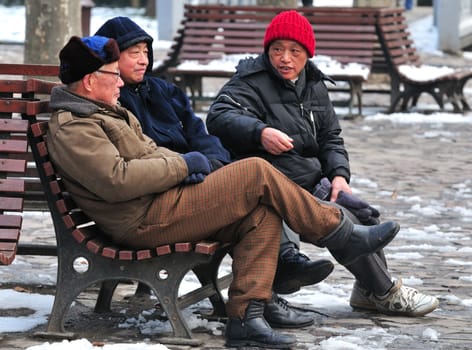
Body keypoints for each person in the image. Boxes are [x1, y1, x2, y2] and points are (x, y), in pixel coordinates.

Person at [49, 35, 401, 348]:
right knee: (256, 171)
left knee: (259, 213)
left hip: (159, 204)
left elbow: (147, 156)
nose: (120, 84)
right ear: (90, 80)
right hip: (141, 220)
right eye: (113, 75)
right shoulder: (75, 126)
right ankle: (338, 232)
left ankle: (247, 318)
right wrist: (184, 165)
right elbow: (117, 179)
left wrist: (187, 166)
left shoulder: (105, 112)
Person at [94, 16, 336, 328]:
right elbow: (137, 163)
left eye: (145, 51)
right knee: (257, 173)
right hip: (160, 200)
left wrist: (208, 164)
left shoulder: (164, 92)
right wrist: (187, 167)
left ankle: (255, 309)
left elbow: (205, 137)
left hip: (191, 183)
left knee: (257, 206)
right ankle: (331, 230)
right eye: (132, 53)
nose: (142, 60)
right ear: (109, 63)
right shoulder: (112, 104)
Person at [206, 10, 439, 317]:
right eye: (277, 50)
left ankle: (370, 291)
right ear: (267, 51)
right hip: (269, 182)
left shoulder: (314, 84)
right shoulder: (250, 80)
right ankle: (382, 291)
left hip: (309, 179)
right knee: (329, 216)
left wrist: (339, 175)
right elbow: (219, 116)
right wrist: (260, 132)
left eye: (294, 51)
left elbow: (331, 137)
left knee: (356, 215)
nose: (284, 59)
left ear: (307, 54)